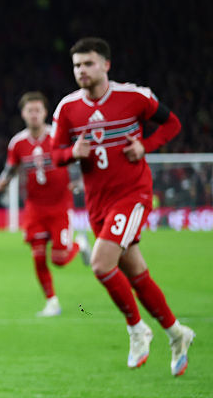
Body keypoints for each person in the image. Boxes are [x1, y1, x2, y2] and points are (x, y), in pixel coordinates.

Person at [51, 37, 194, 375]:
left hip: (133, 196)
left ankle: (136, 329)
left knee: (101, 264)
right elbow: (55, 153)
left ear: (106, 65)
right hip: (98, 205)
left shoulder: (135, 97)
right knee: (136, 275)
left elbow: (172, 124)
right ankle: (177, 333)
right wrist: (72, 153)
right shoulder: (67, 108)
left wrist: (146, 145)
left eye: (88, 63)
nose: (82, 70)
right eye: (76, 65)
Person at [0, 91, 90, 317]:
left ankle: (80, 245)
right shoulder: (17, 143)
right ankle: (52, 302)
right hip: (35, 208)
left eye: (38, 110)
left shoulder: (59, 136)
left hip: (60, 206)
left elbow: (75, 158)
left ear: (45, 112)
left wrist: (81, 180)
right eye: (30, 110)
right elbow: (11, 167)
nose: (34, 114)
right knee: (37, 256)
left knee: (59, 260)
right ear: (23, 114)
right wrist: (2, 181)